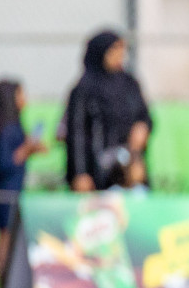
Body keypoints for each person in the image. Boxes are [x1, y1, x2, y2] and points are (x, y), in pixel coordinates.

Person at [63, 31, 152, 192]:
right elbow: (77, 133)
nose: (120, 55)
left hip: (129, 171)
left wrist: (143, 127)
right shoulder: (84, 89)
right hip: (97, 172)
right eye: (114, 49)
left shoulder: (129, 84)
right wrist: (80, 173)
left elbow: (144, 115)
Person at [0, 79, 47, 279]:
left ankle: (8, 280)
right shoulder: (7, 128)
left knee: (10, 236)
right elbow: (5, 163)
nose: (24, 99)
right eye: (21, 94)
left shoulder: (13, 125)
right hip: (7, 190)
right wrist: (27, 149)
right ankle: (4, 281)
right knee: (6, 236)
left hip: (14, 189)